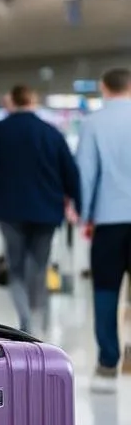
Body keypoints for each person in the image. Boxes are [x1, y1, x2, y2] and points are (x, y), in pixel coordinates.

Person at [0, 85, 81, 335]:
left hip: (11, 209)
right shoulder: (51, 133)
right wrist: (77, 204)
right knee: (39, 264)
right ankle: (39, 317)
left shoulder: (1, 130)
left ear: (12, 101)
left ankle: (25, 320)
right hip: (47, 209)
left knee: (16, 267)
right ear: (33, 101)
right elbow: (70, 172)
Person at [77, 68, 131, 392]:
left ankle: (108, 361)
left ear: (103, 88)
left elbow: (86, 173)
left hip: (109, 220)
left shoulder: (93, 123)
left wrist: (85, 217)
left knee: (106, 290)